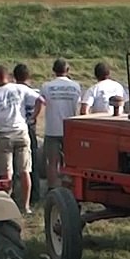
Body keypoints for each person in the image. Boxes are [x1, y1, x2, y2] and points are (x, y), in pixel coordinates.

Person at [0, 64, 41, 213]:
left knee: (6, 174)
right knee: (25, 171)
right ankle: (26, 206)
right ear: (8, 75)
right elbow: (40, 99)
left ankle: (7, 207)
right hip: (22, 132)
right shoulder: (19, 89)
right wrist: (33, 117)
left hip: (4, 135)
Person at [39, 58, 82, 187]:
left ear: (54, 71)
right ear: (68, 70)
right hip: (70, 129)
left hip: (52, 129)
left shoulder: (46, 86)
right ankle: (67, 187)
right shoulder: (76, 86)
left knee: (52, 162)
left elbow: (42, 103)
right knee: (70, 162)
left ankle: (52, 188)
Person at [13, 64, 44, 207]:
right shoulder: (33, 91)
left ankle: (16, 192)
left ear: (14, 77)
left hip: (17, 127)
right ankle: (35, 194)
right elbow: (41, 100)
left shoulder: (12, 91)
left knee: (16, 163)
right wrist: (34, 116)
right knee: (32, 163)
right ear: (29, 77)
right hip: (29, 126)